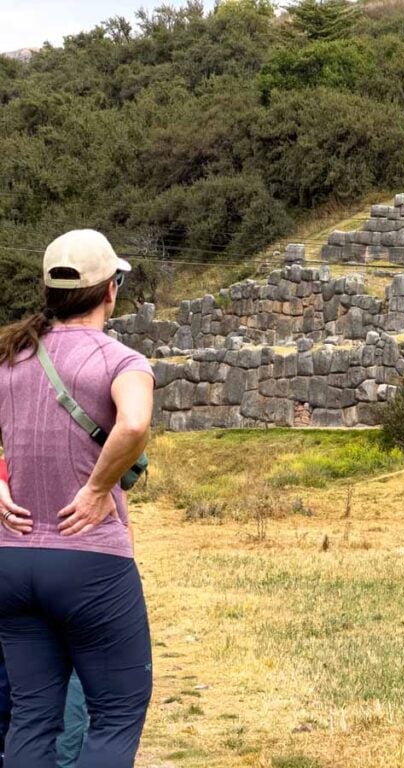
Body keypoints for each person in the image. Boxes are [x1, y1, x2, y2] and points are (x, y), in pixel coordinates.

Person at [0, 229, 154, 768]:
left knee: (33, 715)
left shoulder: (11, 358)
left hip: (13, 560)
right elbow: (134, 423)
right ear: (111, 289)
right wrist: (95, 489)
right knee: (116, 713)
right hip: (90, 560)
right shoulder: (122, 360)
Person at [0, 457, 89, 768]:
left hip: (19, 589)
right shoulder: (90, 469)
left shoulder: (10, 469)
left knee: (30, 708)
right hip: (77, 586)